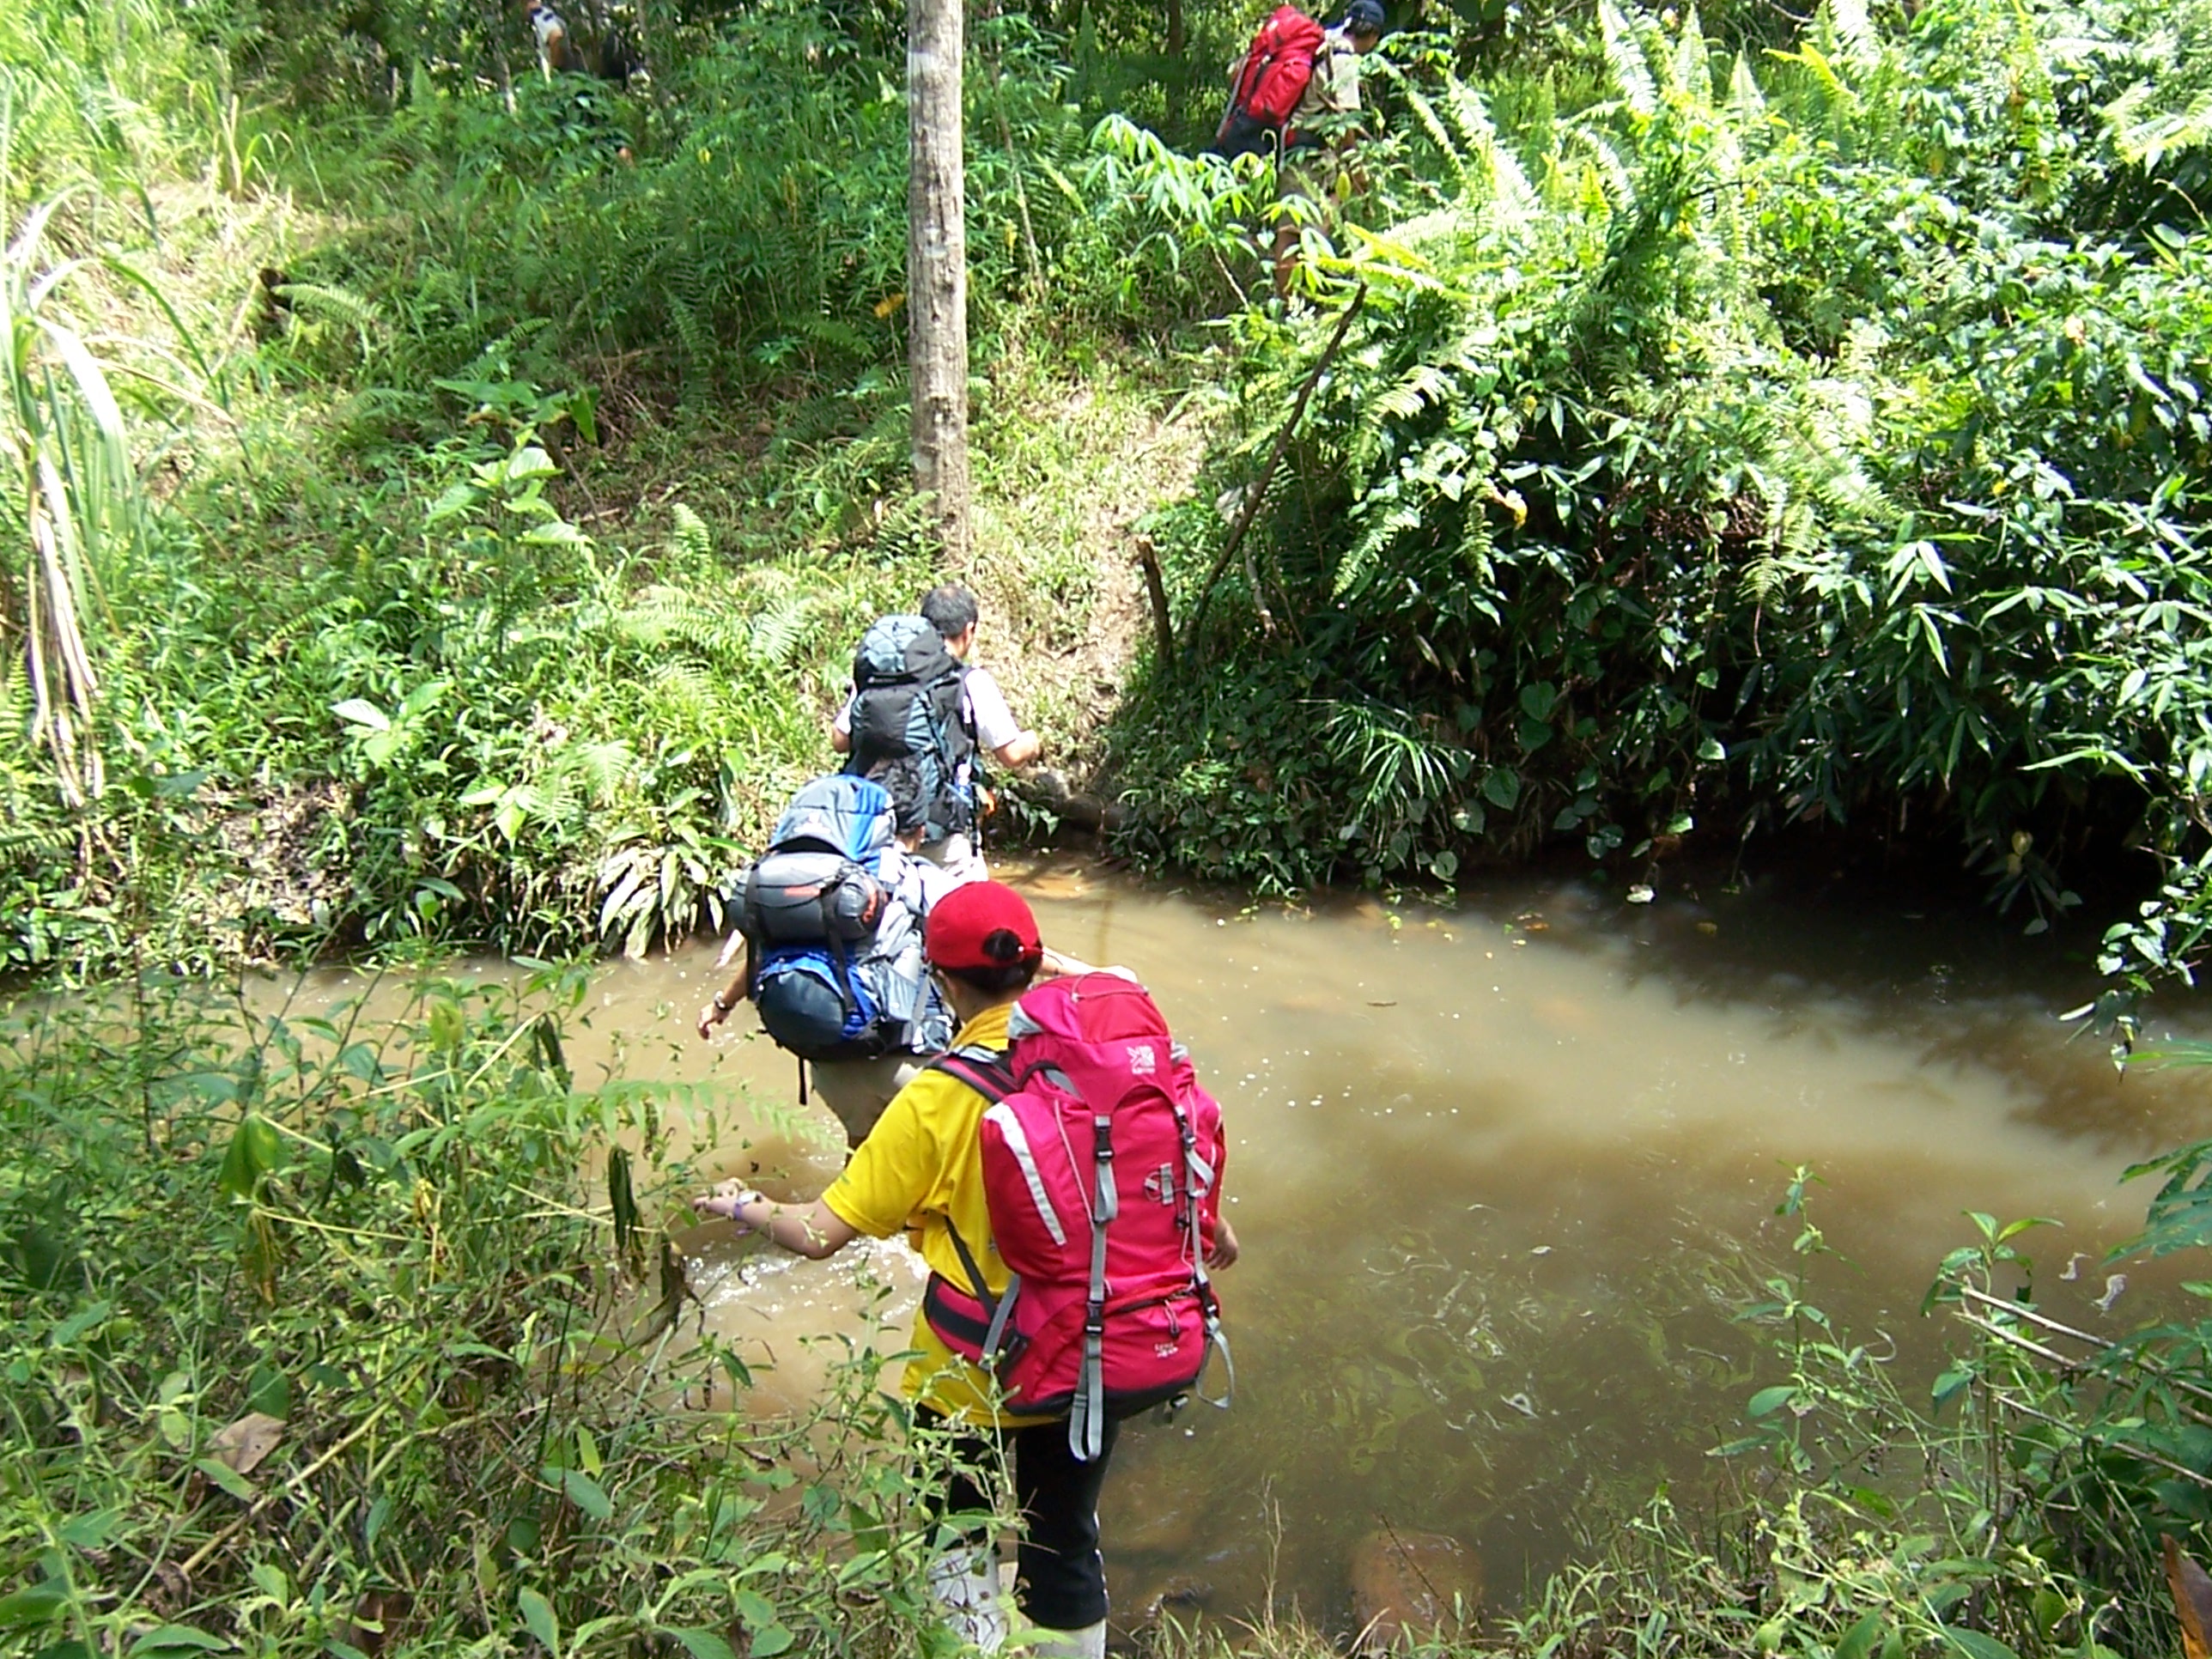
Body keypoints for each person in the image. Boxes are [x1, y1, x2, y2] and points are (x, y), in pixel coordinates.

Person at [691, 883, 1238, 1656]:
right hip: (1089, 1353)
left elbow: (819, 1235)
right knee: (1065, 1540)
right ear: (1039, 964)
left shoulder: (935, 1099)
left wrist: (743, 1205)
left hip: (969, 1371)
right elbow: (1202, 1221)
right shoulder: (1111, 1080)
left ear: (941, 981)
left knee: (957, 1541)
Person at [696, 769, 956, 1148]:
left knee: (863, 1164)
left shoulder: (802, 884)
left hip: (830, 1066)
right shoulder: (912, 876)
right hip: (906, 1063)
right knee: (940, 1170)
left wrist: (721, 1005)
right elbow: (993, 940)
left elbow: (759, 957)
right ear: (915, 830)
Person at [831, 584, 1041, 884]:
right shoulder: (970, 681)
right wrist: (1034, 743)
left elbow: (839, 740)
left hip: (878, 826)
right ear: (969, 630)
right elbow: (1012, 755)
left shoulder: (882, 675)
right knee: (966, 922)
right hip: (943, 833)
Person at [1271, 0, 1385, 297]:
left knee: (1295, 226)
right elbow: (1347, 124)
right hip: (1306, 152)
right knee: (1299, 231)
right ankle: (1293, 307)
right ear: (1372, 36)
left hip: (1295, 145)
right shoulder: (1343, 59)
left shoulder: (1325, 41)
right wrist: (1357, 169)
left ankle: (1296, 300)